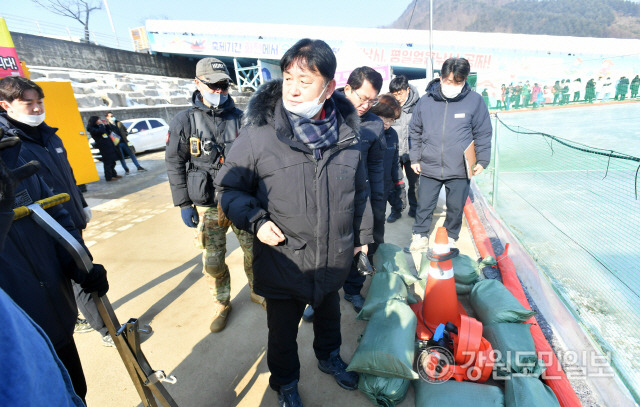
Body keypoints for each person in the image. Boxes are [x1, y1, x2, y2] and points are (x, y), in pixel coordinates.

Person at [215, 38, 373, 406]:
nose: (295, 89)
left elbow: (359, 191)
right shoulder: (258, 135)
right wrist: (255, 220)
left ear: (330, 87)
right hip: (284, 257)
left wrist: (362, 237)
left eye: (306, 80)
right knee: (282, 332)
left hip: (333, 254)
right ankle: (285, 383)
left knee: (329, 313)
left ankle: (328, 357)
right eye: (289, 78)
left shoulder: (349, 137)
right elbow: (229, 189)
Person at [0, 76, 113, 348]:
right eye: (28, 104)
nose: (38, 109)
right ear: (5, 105)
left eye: (40, 102)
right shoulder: (11, 148)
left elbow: (66, 173)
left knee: (83, 274)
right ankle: (108, 329)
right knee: (77, 278)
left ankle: (89, 320)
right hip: (45, 233)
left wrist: (80, 203)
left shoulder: (50, 135)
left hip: (69, 217)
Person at [0, 133, 110, 405]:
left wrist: (78, 264)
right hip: (13, 339)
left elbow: (56, 217)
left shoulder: (14, 158)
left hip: (55, 314)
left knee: (74, 391)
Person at [165, 57, 262, 333]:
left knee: (255, 253)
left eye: (223, 87)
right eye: (213, 86)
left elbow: (258, 158)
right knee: (213, 260)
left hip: (242, 200)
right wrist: (184, 202)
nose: (219, 93)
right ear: (197, 84)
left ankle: (258, 291)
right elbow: (174, 162)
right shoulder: (184, 121)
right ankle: (222, 302)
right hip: (207, 204)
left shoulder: (243, 118)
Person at [408, 57, 492, 252]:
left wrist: (483, 159)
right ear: (440, 77)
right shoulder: (426, 101)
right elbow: (415, 130)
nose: (451, 85)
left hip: (460, 166)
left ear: (464, 81)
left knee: (455, 207)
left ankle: (451, 235)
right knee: (425, 204)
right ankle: (420, 235)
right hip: (429, 164)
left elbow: (483, 131)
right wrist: (415, 157)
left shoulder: (475, 101)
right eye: (448, 81)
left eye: (457, 82)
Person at [389, 75, 420, 221]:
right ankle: (396, 210)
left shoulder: (418, 106)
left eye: (400, 93)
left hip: (413, 153)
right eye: (394, 94)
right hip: (394, 153)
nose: (398, 98)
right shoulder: (389, 106)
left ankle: (414, 209)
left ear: (407, 89)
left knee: (415, 184)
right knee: (395, 184)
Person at [370, 94, 403, 224]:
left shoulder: (392, 135)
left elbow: (395, 163)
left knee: (379, 222)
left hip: (383, 187)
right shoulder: (365, 131)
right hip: (366, 189)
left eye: (391, 120)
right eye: (383, 118)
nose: (387, 123)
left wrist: (399, 186)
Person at [87, 115, 120, 181]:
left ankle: (114, 174)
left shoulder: (100, 126)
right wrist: (101, 125)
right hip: (104, 147)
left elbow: (108, 131)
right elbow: (100, 131)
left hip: (109, 145)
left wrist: (106, 125)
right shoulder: (91, 128)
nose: (100, 120)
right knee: (108, 162)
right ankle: (108, 177)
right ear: (95, 121)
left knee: (112, 161)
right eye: (98, 119)